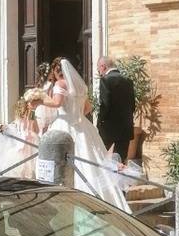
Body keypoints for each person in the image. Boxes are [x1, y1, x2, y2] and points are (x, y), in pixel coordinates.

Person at [33, 58, 131, 213]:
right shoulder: (81, 86)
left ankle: (63, 199)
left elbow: (57, 103)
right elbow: (88, 108)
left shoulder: (60, 84)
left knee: (63, 159)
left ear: (56, 71)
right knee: (92, 160)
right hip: (83, 126)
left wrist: (39, 102)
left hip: (64, 125)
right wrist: (77, 116)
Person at [96, 55, 135, 164]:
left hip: (108, 128)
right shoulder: (128, 80)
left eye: (98, 68)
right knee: (121, 161)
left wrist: (99, 122)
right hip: (126, 127)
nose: (99, 72)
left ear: (103, 66)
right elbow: (132, 105)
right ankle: (120, 180)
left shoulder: (105, 80)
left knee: (102, 157)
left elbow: (105, 104)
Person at [0, 98, 40, 179]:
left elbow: (14, 128)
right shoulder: (31, 115)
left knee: (23, 160)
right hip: (31, 139)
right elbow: (36, 130)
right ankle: (30, 176)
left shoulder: (18, 119)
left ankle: (23, 176)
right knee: (30, 160)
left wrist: (4, 128)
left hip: (22, 140)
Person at [32, 62, 57, 135]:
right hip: (48, 109)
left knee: (40, 131)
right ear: (48, 73)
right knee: (47, 131)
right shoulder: (50, 85)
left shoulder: (39, 85)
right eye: (51, 72)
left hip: (39, 110)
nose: (52, 74)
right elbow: (51, 98)